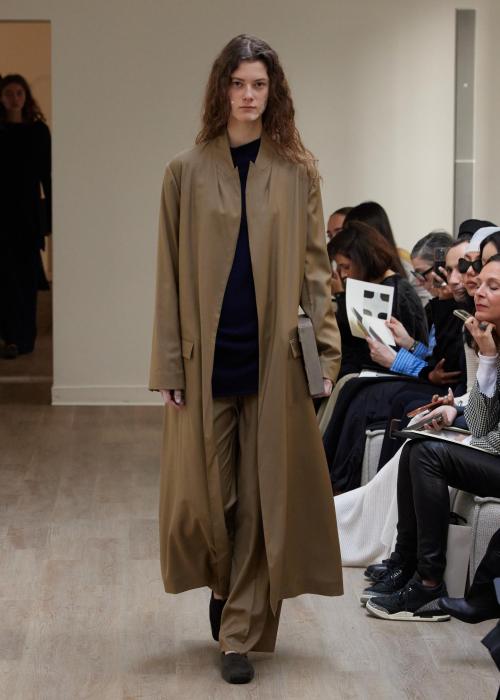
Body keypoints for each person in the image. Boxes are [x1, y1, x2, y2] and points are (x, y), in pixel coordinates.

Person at [149, 34, 343, 684]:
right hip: (205, 363)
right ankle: (222, 583)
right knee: (211, 500)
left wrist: (325, 360)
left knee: (263, 504)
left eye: (259, 84)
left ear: (273, 92)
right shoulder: (184, 171)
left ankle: (238, 633)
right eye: (239, 84)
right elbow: (168, 277)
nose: (249, 96)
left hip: (274, 364)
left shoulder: (296, 174)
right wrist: (169, 365)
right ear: (222, 90)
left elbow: (316, 274)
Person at [363, 255, 500, 621]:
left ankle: (428, 583)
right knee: (417, 446)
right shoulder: (489, 337)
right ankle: (407, 564)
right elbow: (483, 425)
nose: (478, 292)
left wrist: (464, 440)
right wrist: (488, 359)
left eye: (493, 287)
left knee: (429, 453)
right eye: (480, 284)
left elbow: (489, 437)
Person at [328, 221, 427, 378]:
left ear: (362, 261)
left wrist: (340, 296)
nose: (343, 274)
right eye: (339, 268)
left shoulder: (393, 292)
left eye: (346, 267)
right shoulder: (379, 286)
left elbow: (368, 348)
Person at [0, 74, 51, 358]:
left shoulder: (38, 131)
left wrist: (50, 218)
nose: (14, 99)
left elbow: (46, 175)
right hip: (2, 215)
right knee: (6, 278)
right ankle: (11, 338)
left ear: (26, 96)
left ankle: (24, 337)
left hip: (28, 215)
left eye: (19, 93)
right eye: (9, 93)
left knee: (27, 278)